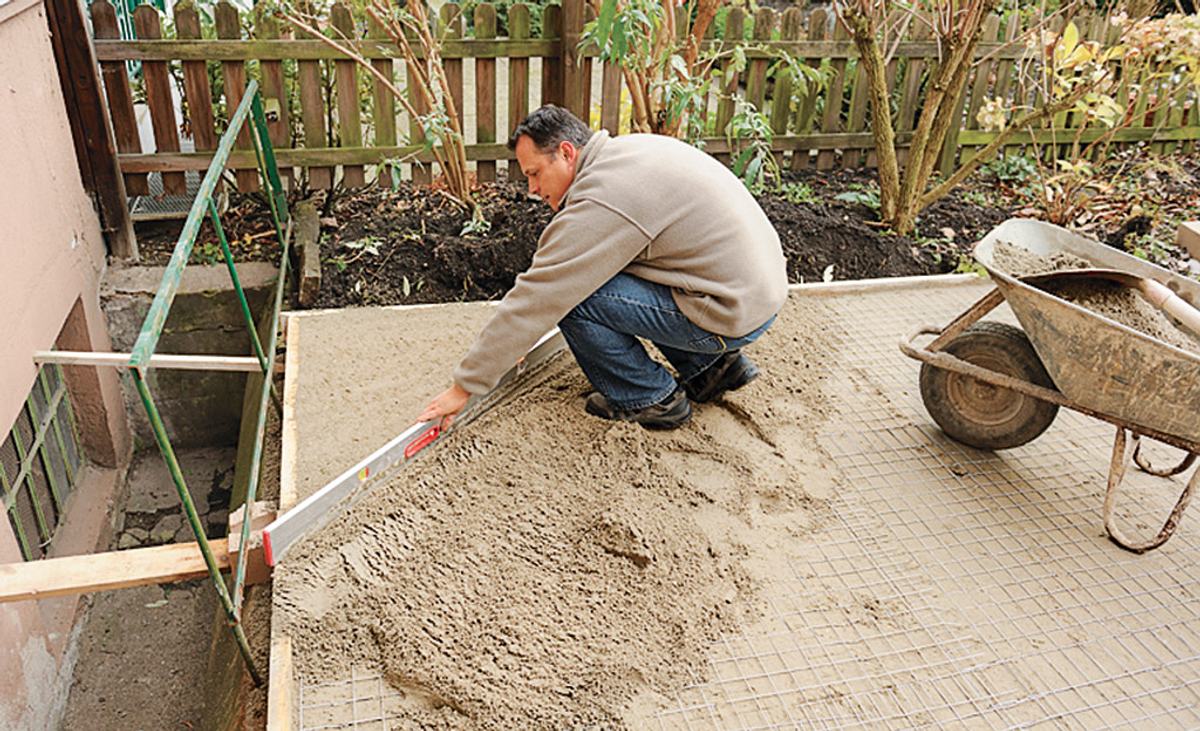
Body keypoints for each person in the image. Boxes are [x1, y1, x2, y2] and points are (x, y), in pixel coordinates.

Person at [418, 105, 788, 430]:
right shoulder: (629, 151)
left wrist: (464, 386)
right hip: (754, 295)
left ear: (566, 152)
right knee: (606, 272)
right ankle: (713, 370)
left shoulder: (603, 200)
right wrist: (516, 341)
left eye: (534, 173)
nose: (531, 188)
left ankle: (648, 398)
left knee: (575, 298)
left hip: (728, 314)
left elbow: (540, 295)